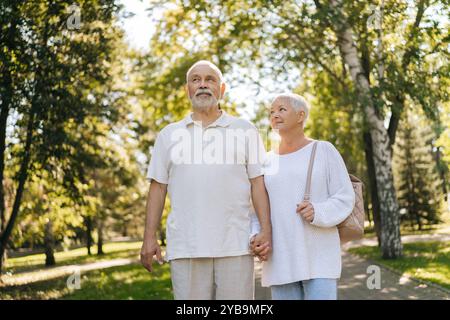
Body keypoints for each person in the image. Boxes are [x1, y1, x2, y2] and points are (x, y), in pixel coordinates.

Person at [140, 60, 272, 300]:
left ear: (221, 89)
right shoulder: (168, 135)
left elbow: (258, 184)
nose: (203, 85)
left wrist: (266, 229)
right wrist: (149, 237)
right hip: (186, 245)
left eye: (210, 79)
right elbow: (158, 188)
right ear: (187, 89)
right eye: (196, 80)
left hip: (236, 244)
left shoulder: (245, 130)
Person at [251, 93, 355, 300]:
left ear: (301, 116)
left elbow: (345, 196)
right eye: (272, 112)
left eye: (281, 109)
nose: (274, 115)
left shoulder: (323, 150)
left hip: (319, 257)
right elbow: (256, 208)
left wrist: (318, 210)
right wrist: (257, 236)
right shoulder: (266, 161)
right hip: (280, 260)